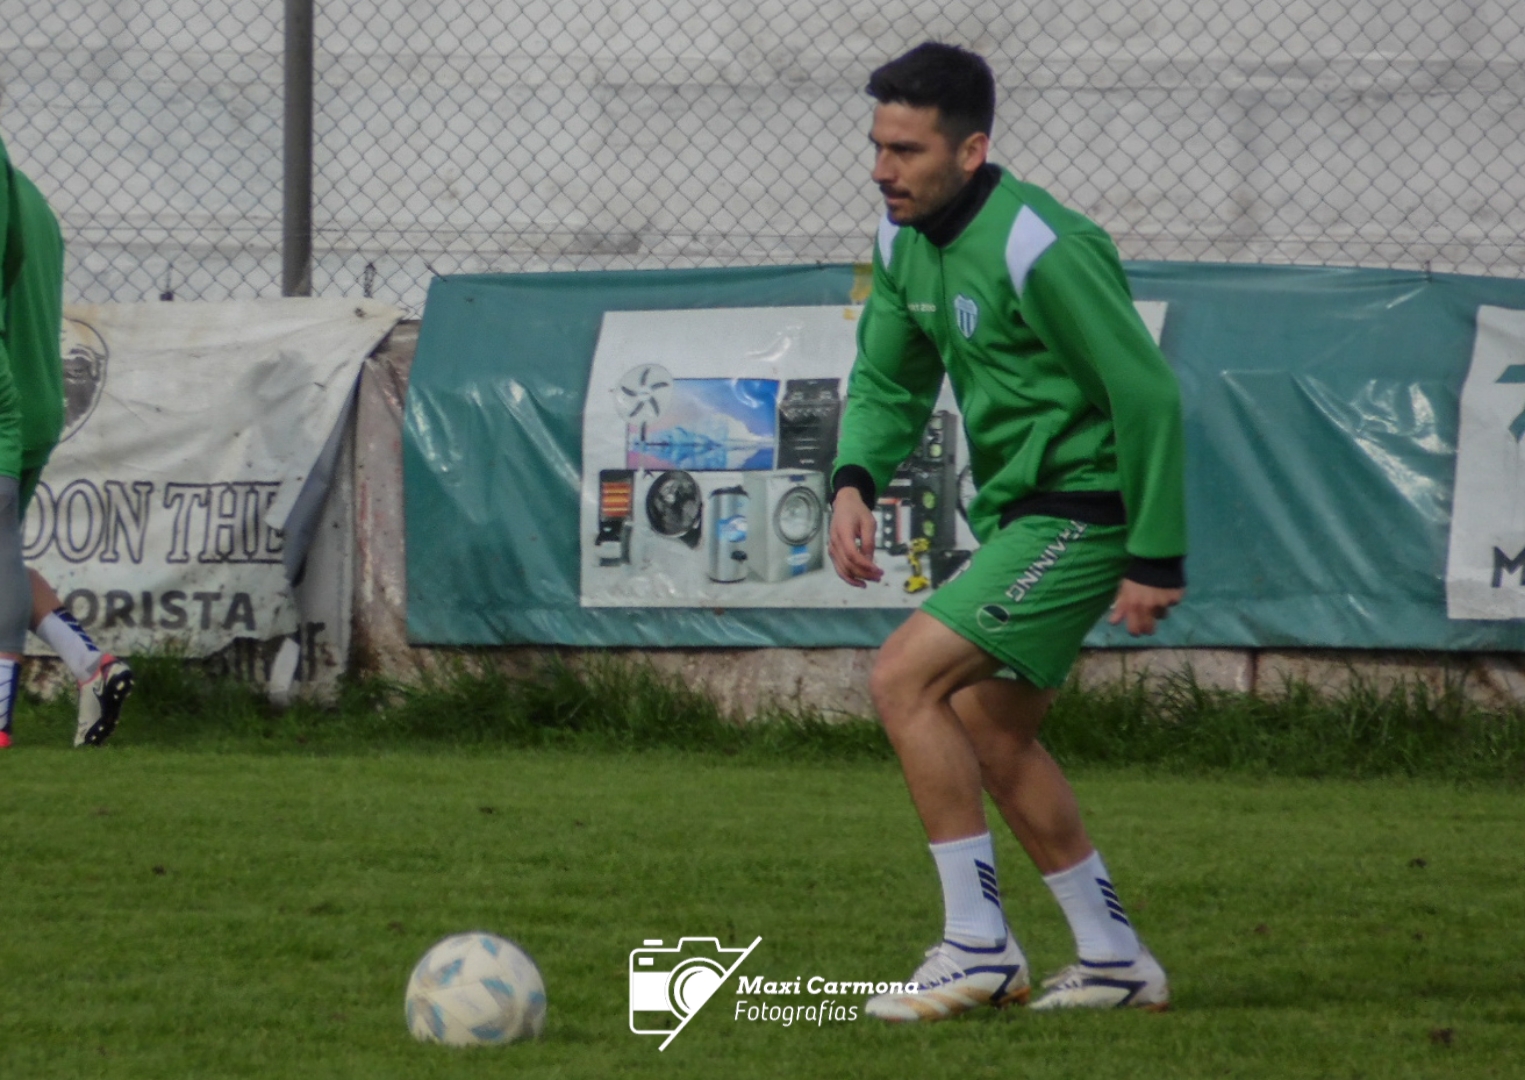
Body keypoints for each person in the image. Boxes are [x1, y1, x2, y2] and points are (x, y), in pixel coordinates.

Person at [828, 42, 1187, 1018]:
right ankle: (1114, 958)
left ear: (971, 149)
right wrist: (854, 478)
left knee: (903, 680)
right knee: (990, 731)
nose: (881, 168)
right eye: (876, 145)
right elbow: (888, 379)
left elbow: (1145, 391)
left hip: (1085, 513)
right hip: (1026, 516)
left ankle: (976, 946)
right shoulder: (902, 243)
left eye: (904, 150)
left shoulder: (1041, 245)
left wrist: (1155, 551)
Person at [0, 148, 132, 750]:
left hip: (5, 395)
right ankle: (91, 665)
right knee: (1, 551)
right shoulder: (31, 198)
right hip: (38, 397)